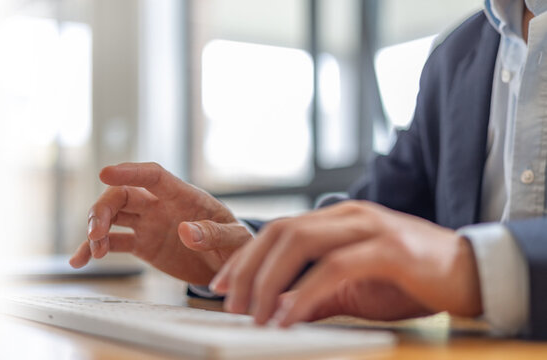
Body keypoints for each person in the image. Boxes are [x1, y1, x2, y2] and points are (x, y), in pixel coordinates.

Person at [70, 0, 547, 339]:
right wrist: (246, 251)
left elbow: (436, 256)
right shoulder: (458, 56)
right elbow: (374, 220)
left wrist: (475, 268)